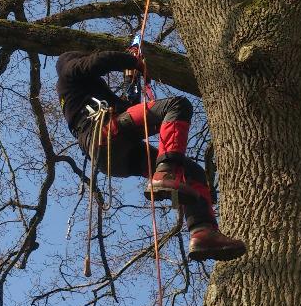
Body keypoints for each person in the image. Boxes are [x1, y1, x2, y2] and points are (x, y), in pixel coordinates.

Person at [55, 49, 246, 262]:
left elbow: (129, 111)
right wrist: (131, 59)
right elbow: (95, 62)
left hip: (112, 154)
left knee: (192, 172)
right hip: (105, 134)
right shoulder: (68, 73)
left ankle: (203, 232)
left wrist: (133, 83)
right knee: (176, 105)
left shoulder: (84, 92)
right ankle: (165, 173)